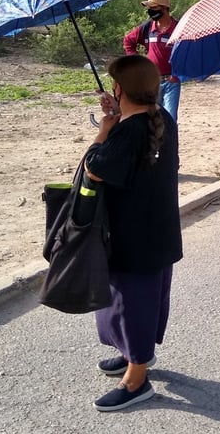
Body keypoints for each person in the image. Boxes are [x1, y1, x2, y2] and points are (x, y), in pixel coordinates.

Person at [85, 54, 182, 412]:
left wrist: (105, 128)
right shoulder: (162, 119)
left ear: (119, 89)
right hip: (158, 231)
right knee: (145, 301)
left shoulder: (127, 131)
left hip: (133, 236)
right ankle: (134, 355)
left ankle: (137, 379)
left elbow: (94, 169)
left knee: (131, 306)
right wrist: (119, 115)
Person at [123, 0, 180, 122]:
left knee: (170, 119)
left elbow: (186, 53)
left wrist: (177, 75)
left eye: (153, 8)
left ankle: (169, 142)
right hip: (151, 82)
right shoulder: (147, 28)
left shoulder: (177, 28)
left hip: (172, 82)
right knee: (151, 118)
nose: (150, 12)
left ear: (164, 9)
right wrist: (136, 63)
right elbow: (128, 41)